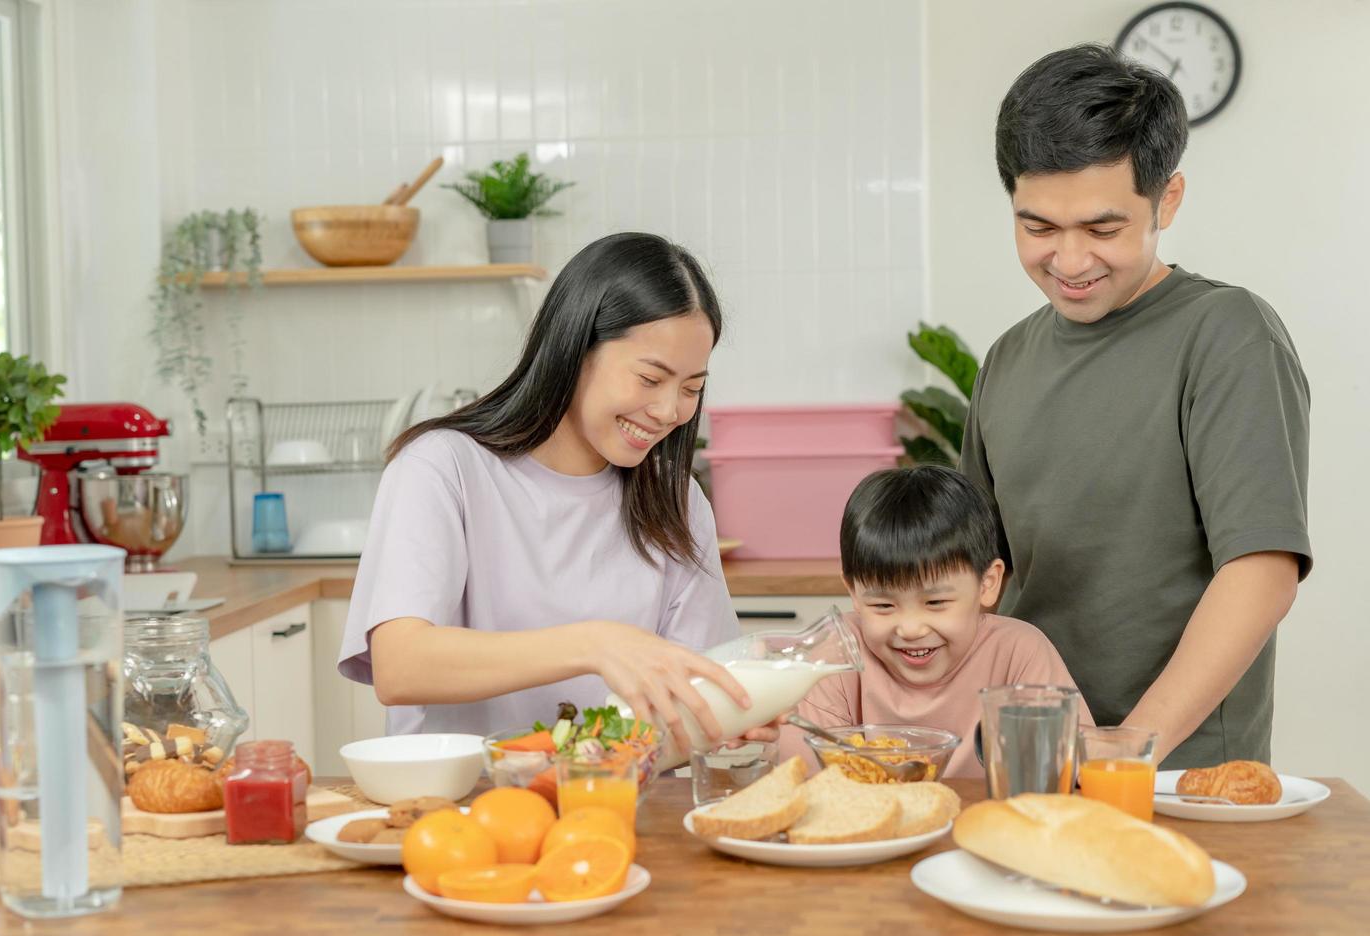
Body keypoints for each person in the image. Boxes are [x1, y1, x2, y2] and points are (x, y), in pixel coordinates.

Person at [960, 44, 1310, 767]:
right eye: (1038, 228)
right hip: (1026, 760)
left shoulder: (1225, 335)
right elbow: (978, 575)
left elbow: (1262, 568)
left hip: (1178, 771)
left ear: (1167, 200)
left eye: (1103, 228)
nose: (1070, 261)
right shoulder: (1006, 360)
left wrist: (1131, 743)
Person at [338, 231, 775, 758]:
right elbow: (401, 666)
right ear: (574, 348)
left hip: (610, 804)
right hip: (460, 811)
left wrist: (731, 716)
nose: (668, 412)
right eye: (649, 378)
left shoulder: (674, 497)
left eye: (690, 388)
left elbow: (692, 695)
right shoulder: (443, 466)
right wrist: (594, 645)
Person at [778, 466, 1090, 778]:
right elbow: (803, 777)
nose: (911, 629)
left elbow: (1071, 768)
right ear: (854, 594)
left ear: (987, 583)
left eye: (936, 603)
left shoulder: (1020, 652)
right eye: (883, 605)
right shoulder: (834, 654)